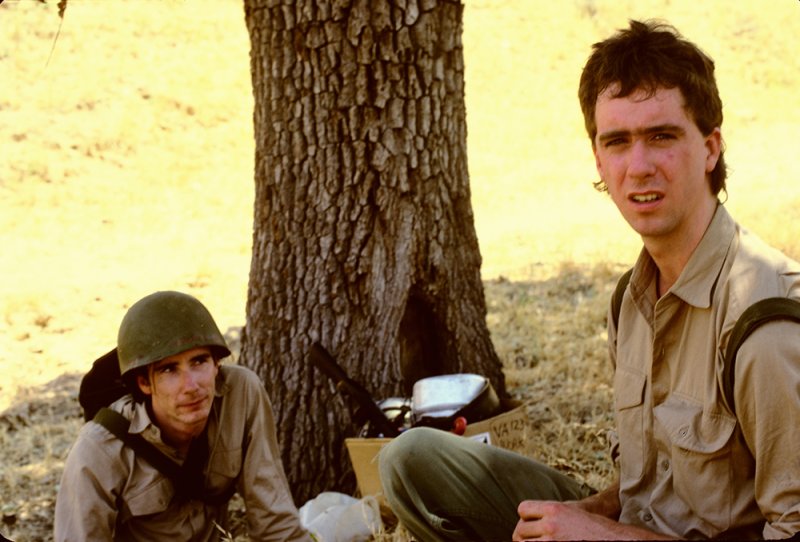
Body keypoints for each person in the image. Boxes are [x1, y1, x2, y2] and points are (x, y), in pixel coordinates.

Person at [378, 19, 800, 541]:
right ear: (598, 158)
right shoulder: (633, 298)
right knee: (413, 459)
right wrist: (586, 511)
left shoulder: (765, 323)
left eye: (661, 136)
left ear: (711, 148)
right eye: (618, 142)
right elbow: (642, 489)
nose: (639, 166)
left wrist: (599, 536)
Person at [54, 290, 312, 541]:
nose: (191, 386)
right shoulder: (100, 448)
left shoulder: (241, 394)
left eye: (199, 361)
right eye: (169, 370)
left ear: (216, 364)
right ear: (145, 383)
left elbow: (276, 524)